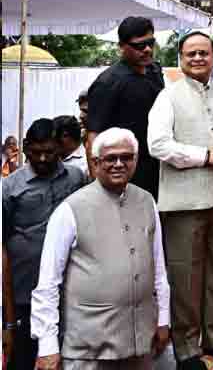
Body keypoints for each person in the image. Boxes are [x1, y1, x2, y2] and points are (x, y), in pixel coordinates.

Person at [31, 127, 170, 370]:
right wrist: (47, 346)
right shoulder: (70, 209)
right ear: (95, 163)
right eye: (110, 158)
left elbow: (158, 268)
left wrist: (163, 319)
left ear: (135, 160)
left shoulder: (147, 201)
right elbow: (47, 283)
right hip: (87, 350)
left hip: (140, 344)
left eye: (126, 157)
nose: (119, 164)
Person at [146, 31, 213, 370]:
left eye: (204, 52)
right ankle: (186, 347)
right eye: (191, 54)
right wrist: (205, 156)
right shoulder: (167, 96)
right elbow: (157, 144)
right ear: (181, 59)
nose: (198, 58)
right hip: (185, 200)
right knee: (185, 275)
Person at [2, 120, 87, 370]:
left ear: (60, 148)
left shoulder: (76, 178)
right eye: (35, 152)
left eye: (49, 152)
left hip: (68, 295)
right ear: (26, 147)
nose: (41, 158)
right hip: (24, 297)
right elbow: (2, 250)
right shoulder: (9, 188)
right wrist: (8, 320)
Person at [85, 16, 165, 196]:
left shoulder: (155, 71)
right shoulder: (108, 82)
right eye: (139, 46)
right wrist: (97, 185)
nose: (147, 49)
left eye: (150, 43)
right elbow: (93, 135)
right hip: (124, 169)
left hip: (157, 166)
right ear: (121, 47)